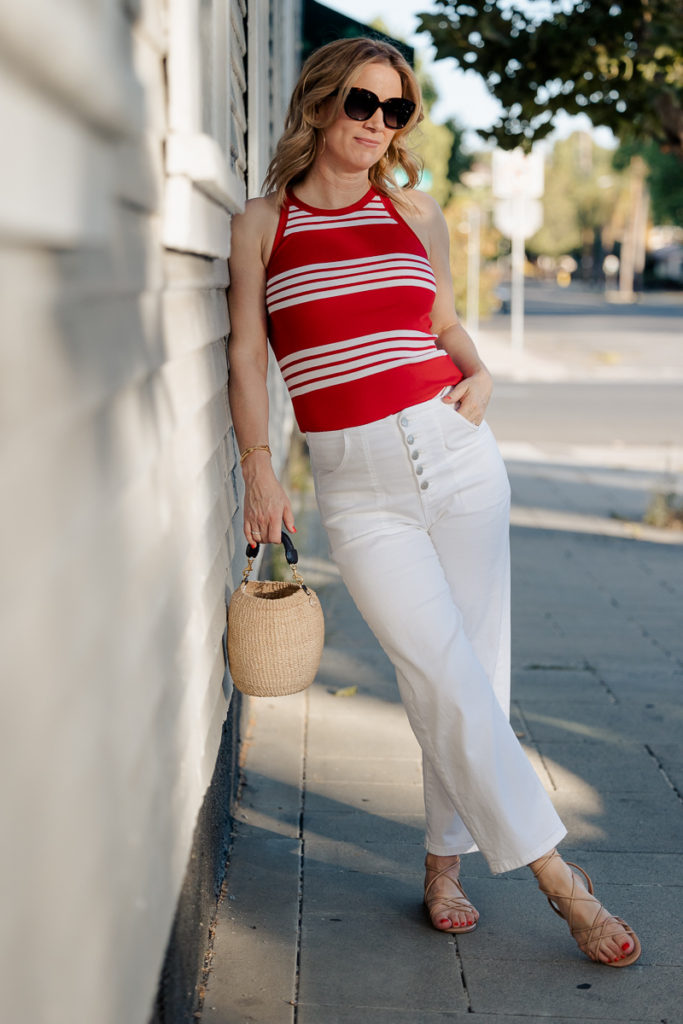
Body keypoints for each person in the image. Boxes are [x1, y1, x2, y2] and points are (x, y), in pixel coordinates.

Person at [227, 36, 641, 967]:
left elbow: (443, 321)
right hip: (356, 486)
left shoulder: (415, 210)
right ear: (321, 104)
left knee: (474, 678)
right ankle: (561, 885)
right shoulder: (264, 223)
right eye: (362, 105)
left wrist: (482, 372)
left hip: (456, 457)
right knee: (439, 673)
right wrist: (259, 466)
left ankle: (443, 865)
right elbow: (246, 359)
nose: (379, 124)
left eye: (396, 110)